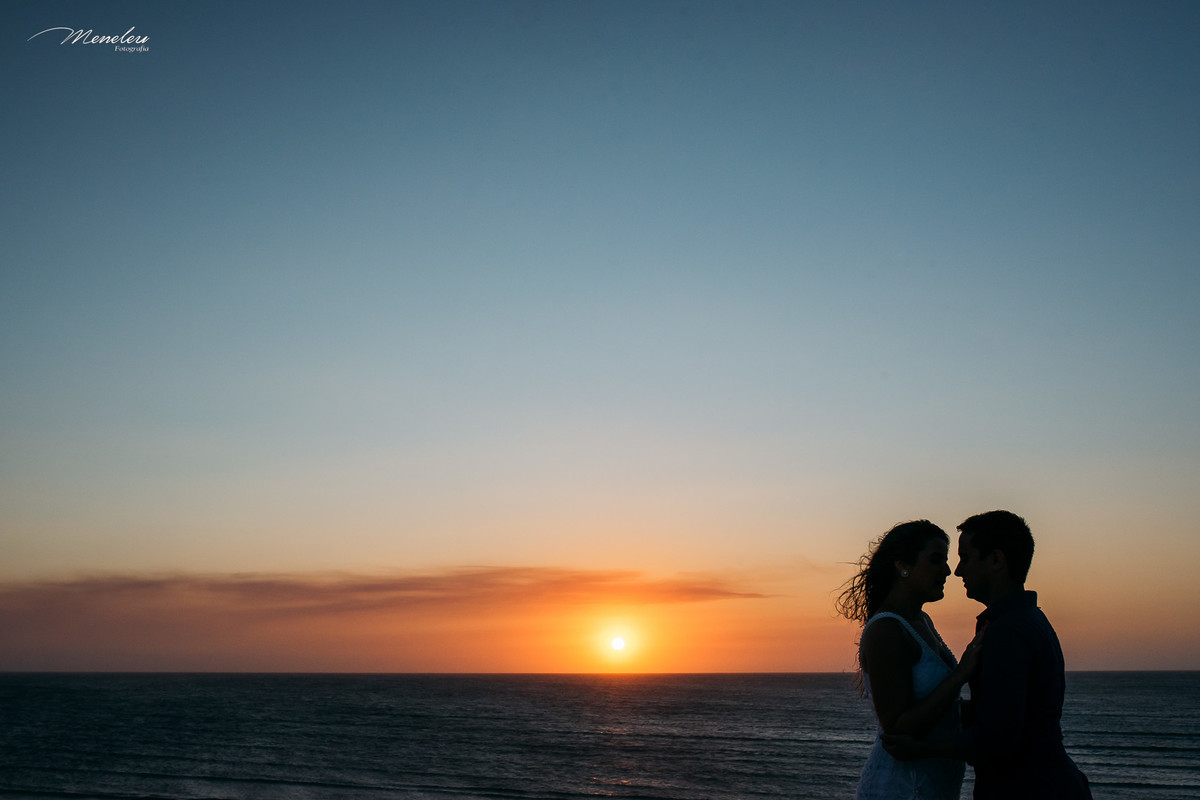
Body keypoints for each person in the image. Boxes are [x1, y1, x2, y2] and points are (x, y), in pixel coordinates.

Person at [884, 510, 1092, 799]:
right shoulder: (1029, 620)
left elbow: (997, 742)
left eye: (965, 558)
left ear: (996, 560)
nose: (957, 571)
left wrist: (922, 749)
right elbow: (1007, 712)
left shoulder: (1008, 632)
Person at [837, 520, 982, 800]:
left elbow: (941, 710)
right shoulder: (886, 630)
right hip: (900, 788)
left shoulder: (921, 621)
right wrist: (960, 675)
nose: (947, 571)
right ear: (903, 565)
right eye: (936, 560)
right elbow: (897, 727)